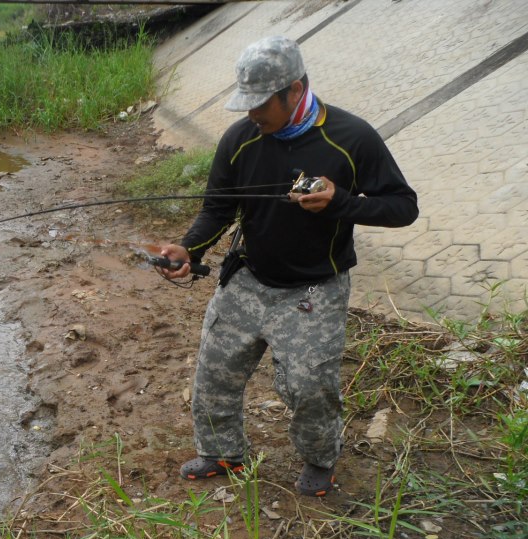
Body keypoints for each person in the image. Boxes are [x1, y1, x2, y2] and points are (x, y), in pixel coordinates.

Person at [158, 35, 418, 496]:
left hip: (315, 289)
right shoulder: (241, 140)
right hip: (249, 279)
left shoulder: (351, 138)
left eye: (261, 105)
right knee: (214, 375)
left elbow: (402, 208)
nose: (252, 115)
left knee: (309, 386)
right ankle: (223, 453)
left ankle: (320, 461)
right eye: (247, 105)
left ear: (294, 90)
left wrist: (341, 202)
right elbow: (218, 209)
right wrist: (189, 251)